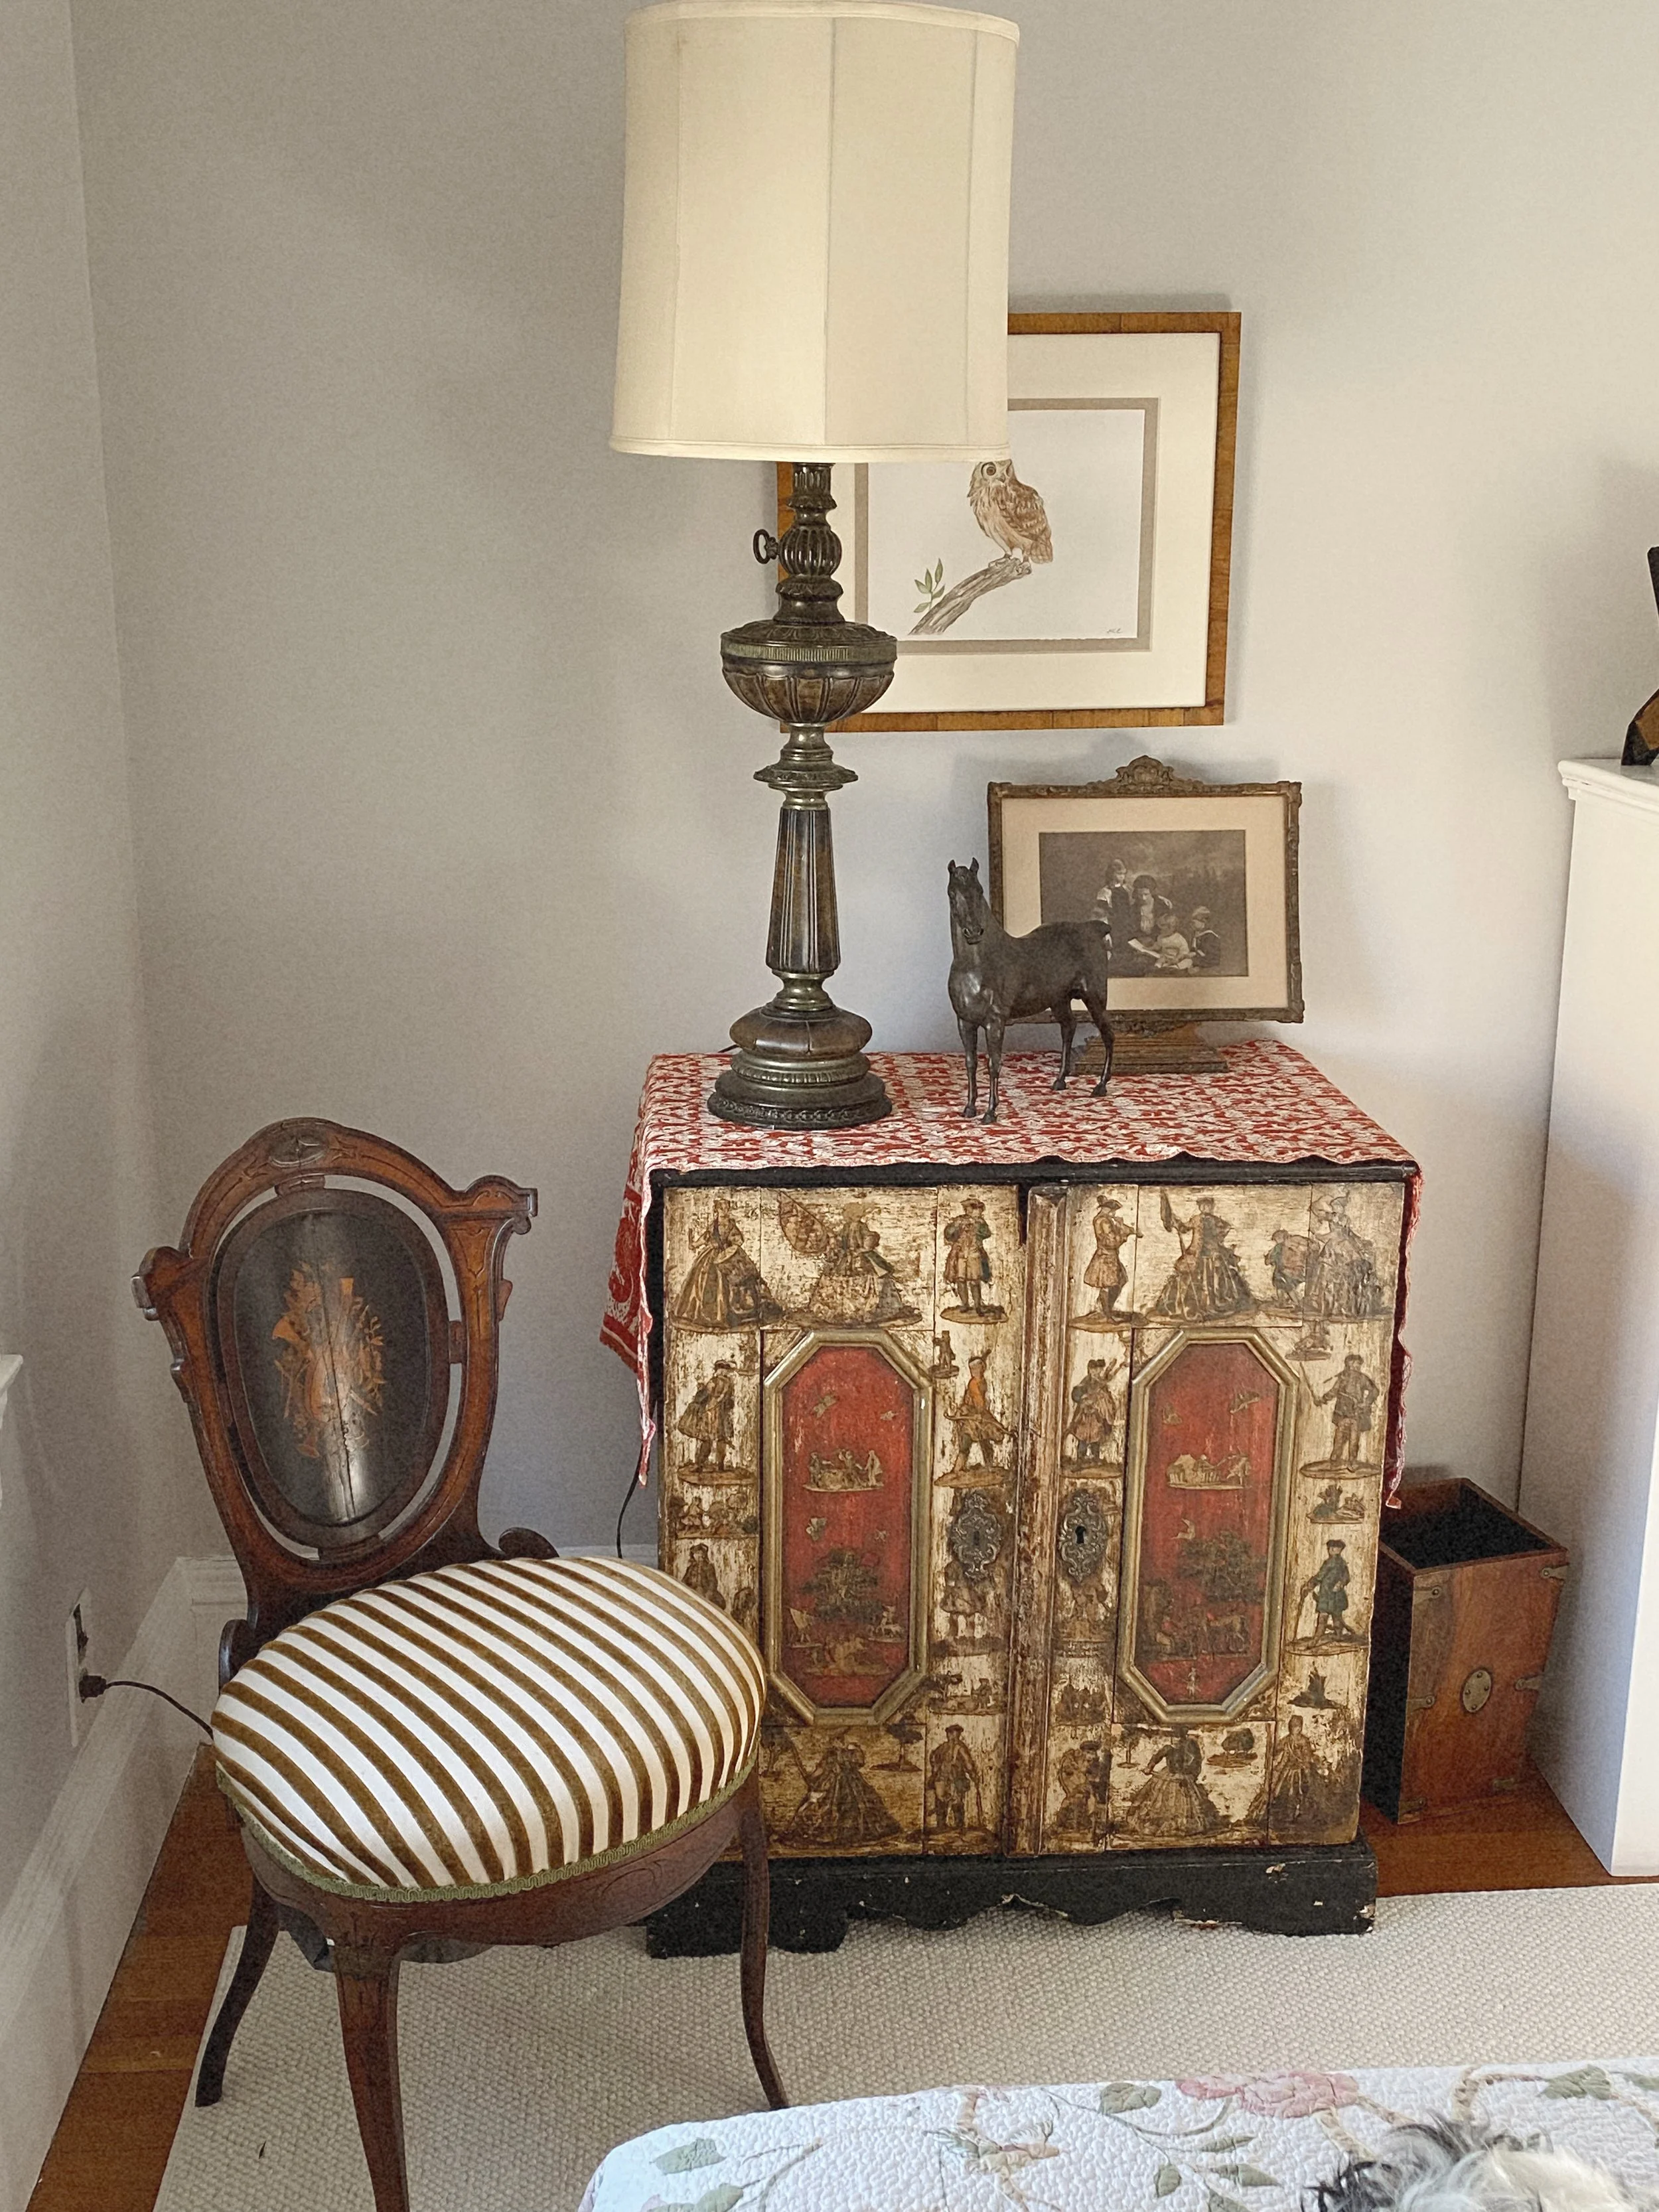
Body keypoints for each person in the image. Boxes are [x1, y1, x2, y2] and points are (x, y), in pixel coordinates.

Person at [670, 1201, 775, 1330]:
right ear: (717, 1210)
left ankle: (733, 1314)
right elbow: (705, 1237)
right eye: (722, 1209)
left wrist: (728, 1251)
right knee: (705, 1282)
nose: (725, 1212)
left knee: (735, 1282)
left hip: (727, 1256)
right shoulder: (713, 1225)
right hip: (711, 1256)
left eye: (727, 1209)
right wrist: (695, 1245)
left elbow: (738, 1241)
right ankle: (710, 1314)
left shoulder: (731, 1226)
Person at [1151, 1194, 1254, 1318]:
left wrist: (1219, 1239)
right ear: (1200, 1207)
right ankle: (1194, 1305)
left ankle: (1213, 1304)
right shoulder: (1196, 1219)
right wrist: (1175, 1222)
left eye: (1208, 1206)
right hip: (1196, 1254)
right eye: (1203, 1206)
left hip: (1213, 1253)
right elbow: (1184, 1228)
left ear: (1212, 1207)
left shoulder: (1216, 1220)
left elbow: (1226, 1228)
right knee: (1190, 1278)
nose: (1206, 1208)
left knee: (1216, 1278)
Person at [1125, 1728, 1224, 1838]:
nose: (1176, 1740)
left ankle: (1183, 1825)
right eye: (1175, 1738)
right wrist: (1149, 1767)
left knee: (1187, 1804)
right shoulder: (1168, 1748)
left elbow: (1195, 1764)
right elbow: (1156, 1758)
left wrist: (1190, 1776)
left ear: (1183, 1738)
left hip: (1183, 1778)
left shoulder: (1188, 1749)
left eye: (1179, 1738)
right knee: (1158, 1801)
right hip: (1167, 1776)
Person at [1315, 1353, 1379, 1465]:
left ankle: (1352, 1460)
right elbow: (1334, 1391)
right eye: (1352, 1366)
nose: (1355, 1368)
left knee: (1354, 1437)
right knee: (1340, 1435)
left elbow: (1374, 1391)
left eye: (1357, 1366)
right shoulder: (1343, 1378)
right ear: (1348, 1365)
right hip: (1342, 1411)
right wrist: (1323, 1399)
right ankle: (1335, 1458)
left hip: (1356, 1412)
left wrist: (1366, 1403)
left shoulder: (1363, 1378)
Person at [676, 1361, 738, 1471]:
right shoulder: (729, 1383)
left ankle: (700, 1465)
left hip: (711, 1412)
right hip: (722, 1414)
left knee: (707, 1439)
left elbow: (705, 1394)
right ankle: (720, 1465)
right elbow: (729, 1400)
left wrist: (697, 1399)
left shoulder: (714, 1381)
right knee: (720, 1439)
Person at [1082, 1195, 1136, 1316]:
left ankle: (1103, 1308)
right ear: (1108, 1209)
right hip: (1106, 1257)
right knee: (1107, 1285)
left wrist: (1123, 1227)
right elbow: (1111, 1242)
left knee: (1120, 1280)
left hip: (1111, 1256)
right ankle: (1106, 1313)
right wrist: (1124, 1235)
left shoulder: (1104, 1220)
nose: (1114, 1213)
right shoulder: (1104, 1221)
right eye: (1113, 1210)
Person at [952, 1353, 1006, 1469]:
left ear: (983, 1368)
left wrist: (983, 1415)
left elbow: (981, 1402)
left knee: (985, 1439)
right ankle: (958, 1469)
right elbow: (978, 1400)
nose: (975, 1371)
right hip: (971, 1414)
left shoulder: (982, 1382)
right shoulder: (973, 1383)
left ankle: (989, 1466)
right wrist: (978, 1414)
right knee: (967, 1440)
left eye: (978, 1367)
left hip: (978, 1414)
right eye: (973, 1368)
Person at [942, 1197, 995, 1315]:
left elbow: (987, 1234)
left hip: (974, 1254)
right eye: (969, 1209)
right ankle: (965, 1304)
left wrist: (977, 1226)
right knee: (961, 1279)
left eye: (974, 1209)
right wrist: (955, 1226)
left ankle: (978, 1306)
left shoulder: (980, 1222)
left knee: (975, 1281)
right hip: (961, 1255)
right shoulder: (960, 1220)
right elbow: (948, 1235)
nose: (971, 1211)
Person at [928, 1724, 983, 1834]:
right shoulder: (955, 1748)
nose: (952, 1735)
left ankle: (946, 1828)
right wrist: (973, 1775)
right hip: (950, 1780)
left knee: (946, 1803)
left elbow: (933, 1758)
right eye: (951, 1733)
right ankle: (955, 1828)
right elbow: (968, 1765)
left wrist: (936, 1771)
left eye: (954, 1733)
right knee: (953, 1803)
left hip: (945, 1780)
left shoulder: (947, 1747)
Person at [1068, 1357, 1120, 1465]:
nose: (1095, 1372)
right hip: (1085, 1415)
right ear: (1089, 1370)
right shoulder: (1086, 1381)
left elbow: (1105, 1393)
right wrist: (1084, 1398)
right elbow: (1077, 1393)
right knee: (1083, 1436)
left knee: (1096, 1435)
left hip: (1096, 1414)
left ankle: (1096, 1457)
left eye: (1096, 1370)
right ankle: (1080, 1458)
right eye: (1092, 1370)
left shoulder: (1100, 1382)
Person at [1301, 1538, 1354, 1641]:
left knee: (1324, 1615)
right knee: (1337, 1614)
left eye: (1333, 1548)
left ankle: (1317, 1638)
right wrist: (1341, 1584)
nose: (1331, 1550)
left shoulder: (1330, 1562)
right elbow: (1347, 1577)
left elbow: (1320, 1576)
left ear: (1335, 1550)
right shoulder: (1342, 1563)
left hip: (1328, 1593)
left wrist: (1310, 1585)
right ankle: (1338, 1635)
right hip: (1336, 1594)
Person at [1091, 857, 1135, 954]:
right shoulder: (1105, 892)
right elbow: (1100, 914)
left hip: (1127, 926)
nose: (1122, 877)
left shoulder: (1127, 889)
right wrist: (1105, 934)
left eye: (1124, 874)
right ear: (1111, 874)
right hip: (1113, 927)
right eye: (1119, 874)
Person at [1189, 905, 1224, 971]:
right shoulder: (1196, 936)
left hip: (1208, 965)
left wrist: (1194, 959)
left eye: (1194, 923)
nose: (1192, 925)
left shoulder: (1210, 937)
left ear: (1203, 922)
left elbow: (1211, 959)